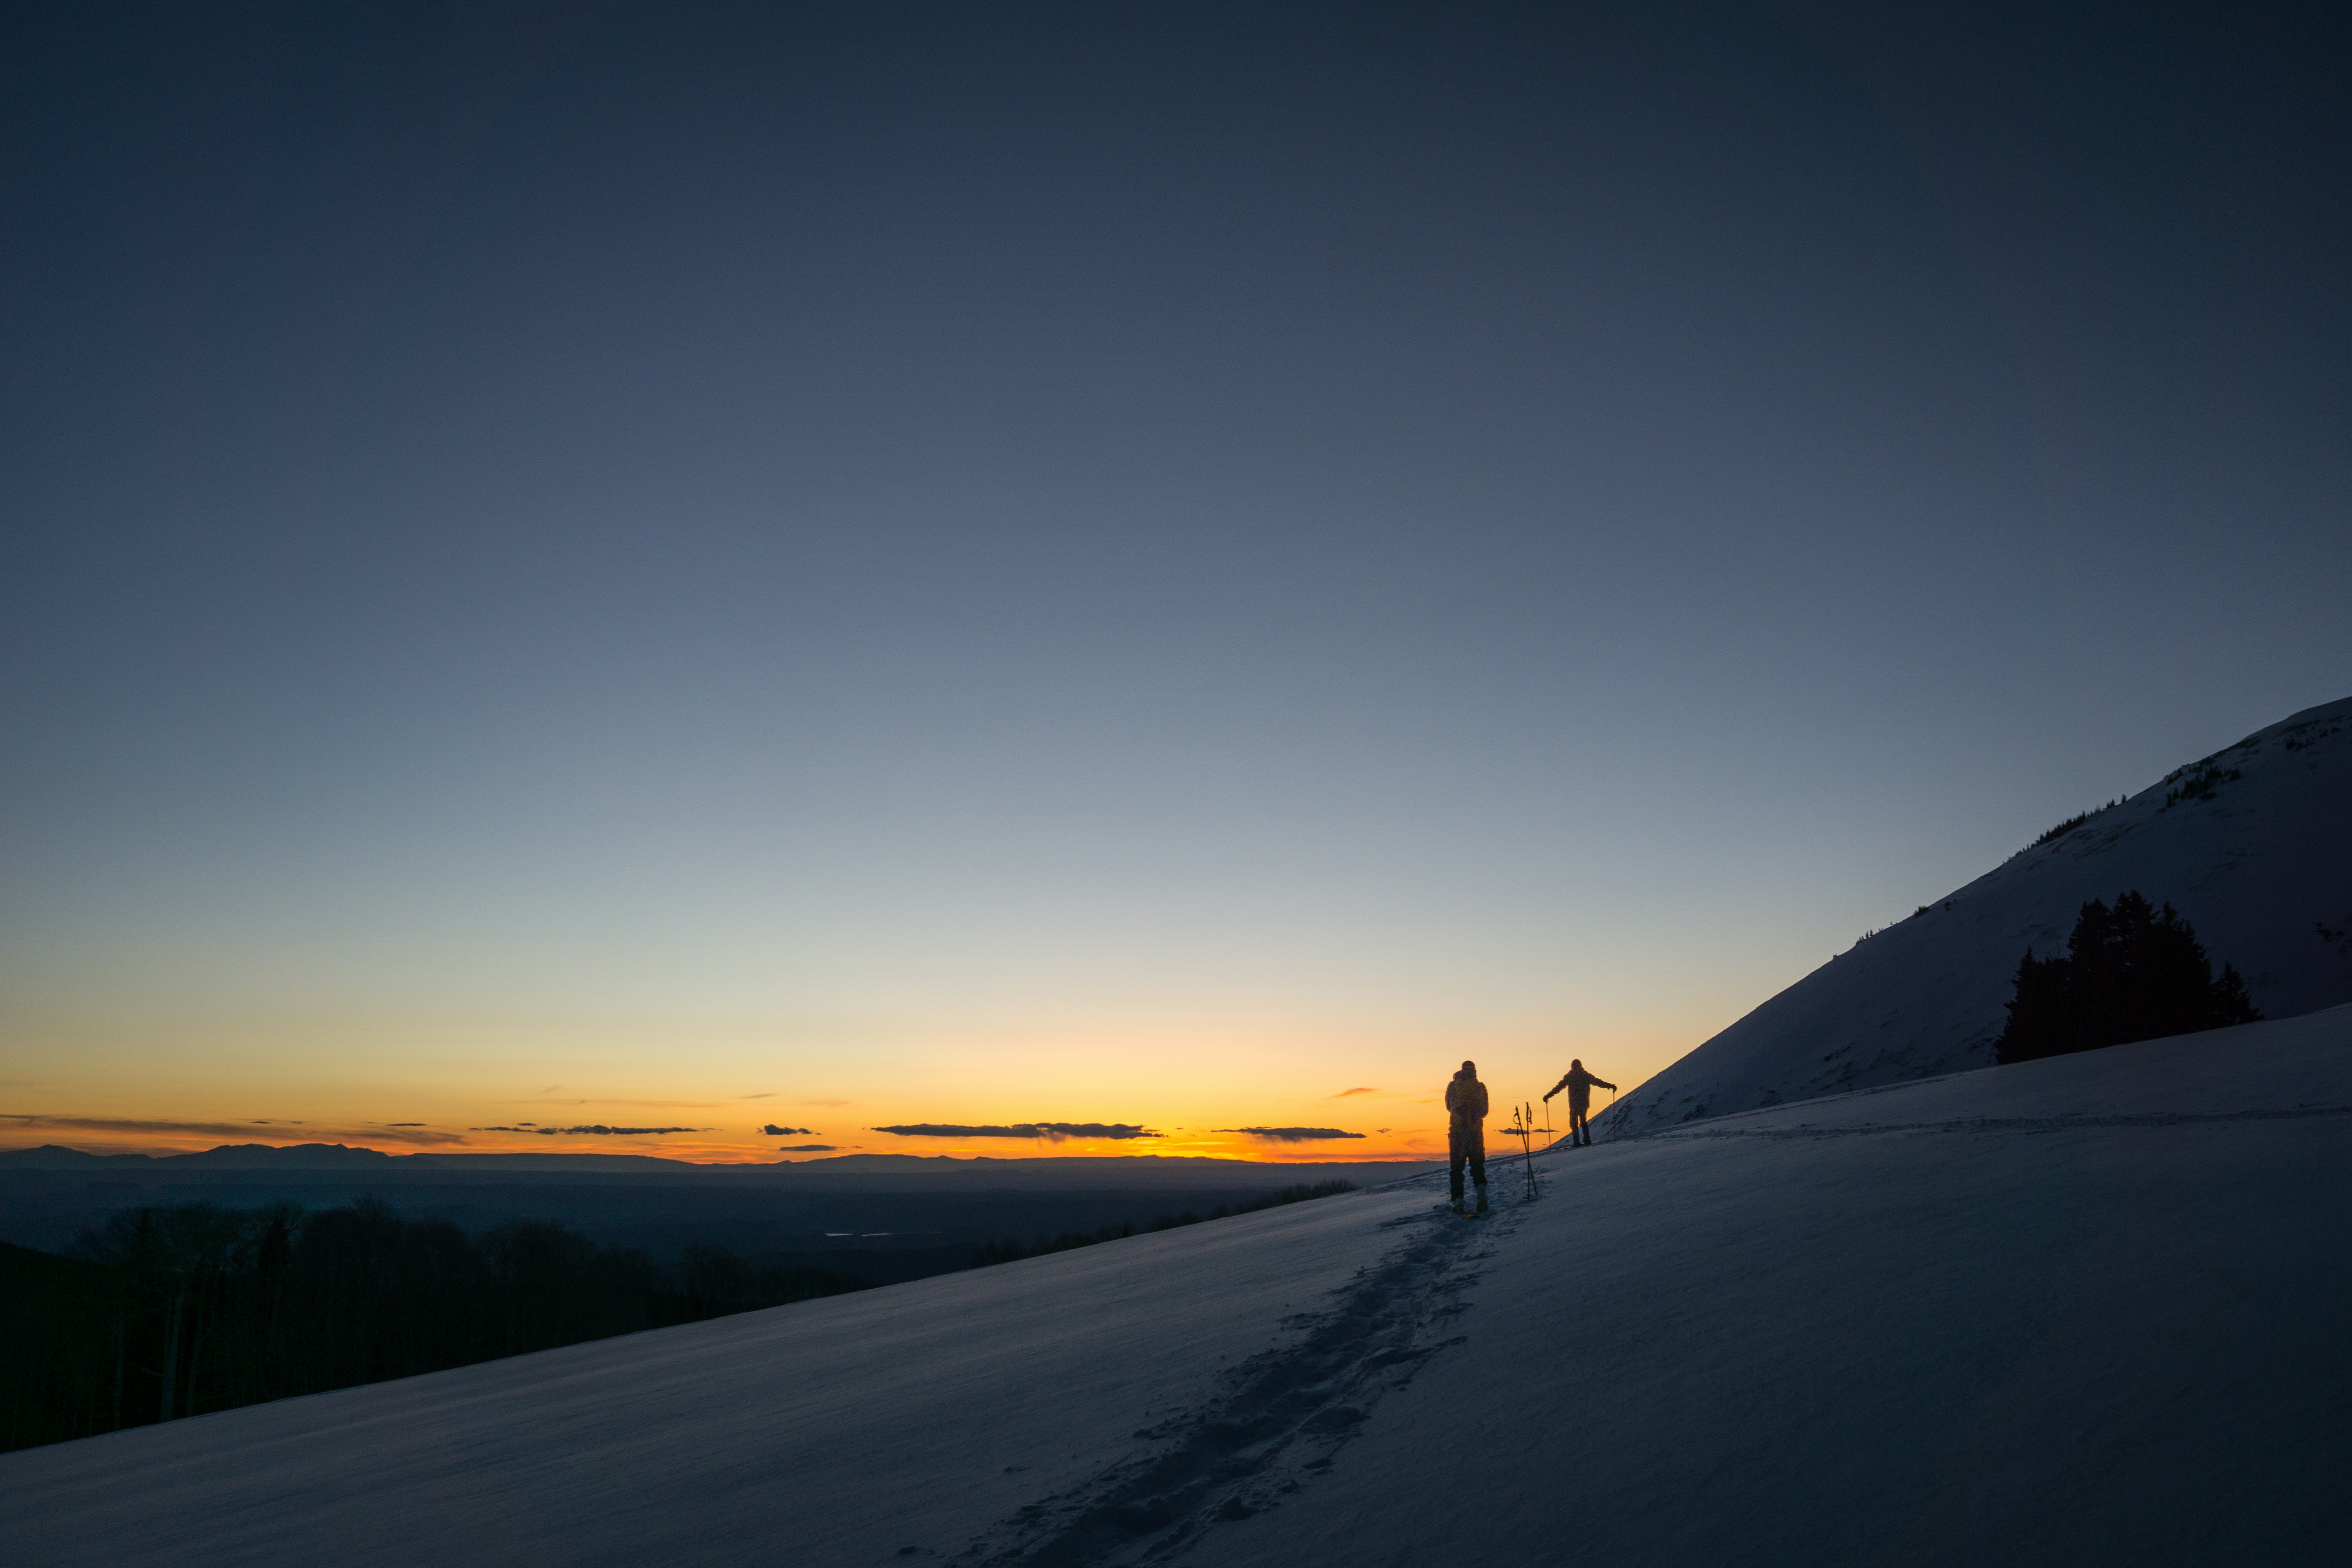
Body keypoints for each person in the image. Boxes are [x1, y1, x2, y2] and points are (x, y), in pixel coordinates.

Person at [1445, 1060, 1489, 1215]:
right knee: (1478, 1167)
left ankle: (1458, 1202)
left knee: (1457, 1170)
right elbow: (1485, 1111)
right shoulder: (1480, 1087)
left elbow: (1448, 1106)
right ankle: (1482, 1198)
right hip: (1476, 1132)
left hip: (1458, 1132)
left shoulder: (1453, 1086)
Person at [1543, 1058, 1616, 1147]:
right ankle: (1587, 1140)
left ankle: (1577, 1142)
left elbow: (1560, 1087)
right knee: (1583, 1121)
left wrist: (1549, 1095)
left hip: (1574, 1103)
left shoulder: (1570, 1077)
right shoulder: (1585, 1075)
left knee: (1574, 1123)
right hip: (1584, 1103)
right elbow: (1598, 1082)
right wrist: (1609, 1086)